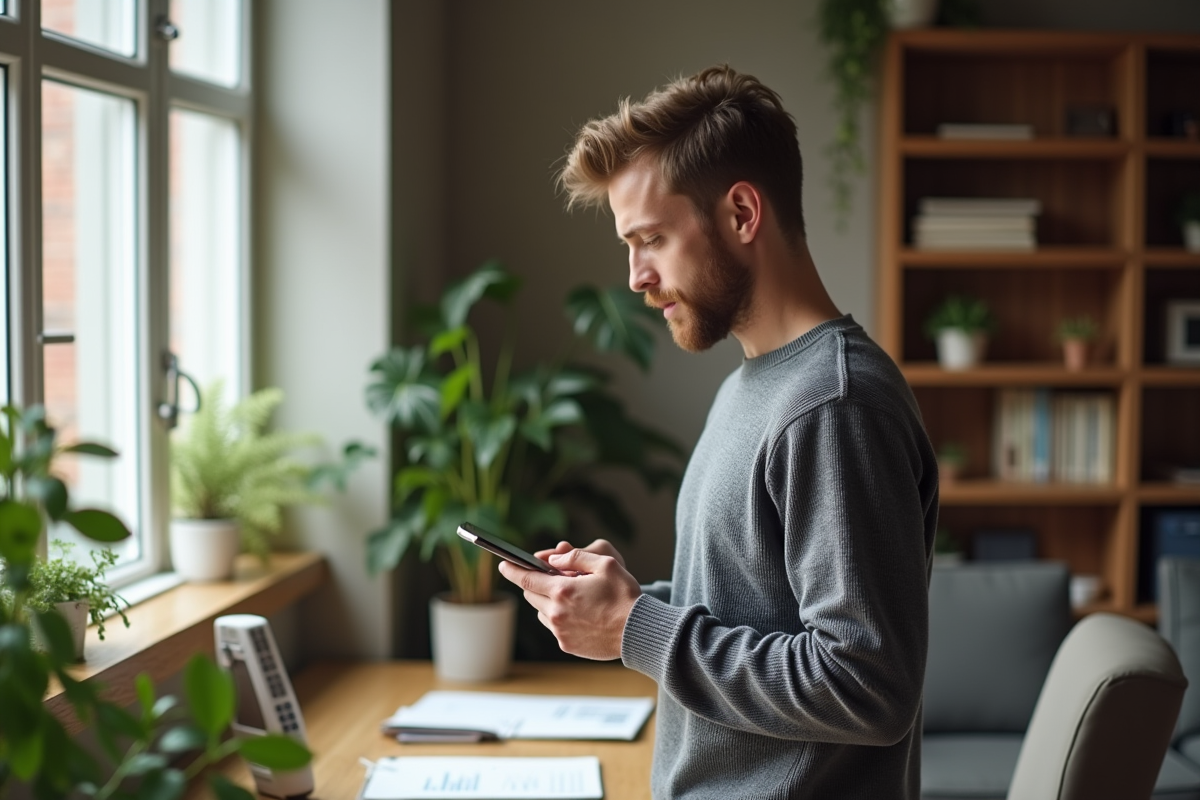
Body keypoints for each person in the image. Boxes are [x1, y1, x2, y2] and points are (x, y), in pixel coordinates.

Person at [498, 64, 939, 800]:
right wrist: (631, 602)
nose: (636, 277)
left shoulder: (833, 406)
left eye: (653, 240)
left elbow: (866, 685)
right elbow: (758, 609)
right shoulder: (754, 386)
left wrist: (637, 627)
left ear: (740, 214)